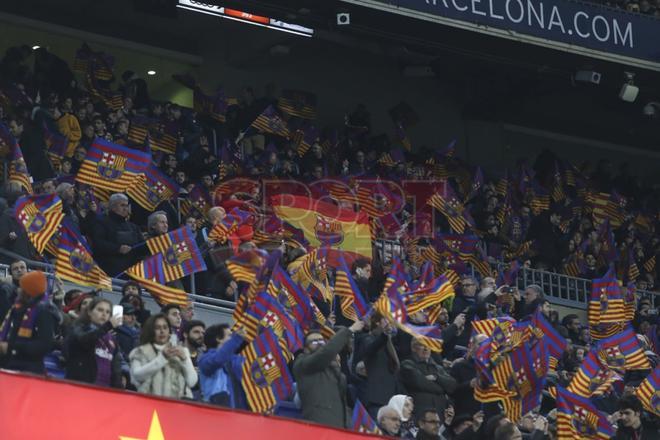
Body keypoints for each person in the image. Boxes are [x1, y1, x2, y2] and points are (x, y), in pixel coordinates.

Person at [293, 320, 365, 428]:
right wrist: (349, 330)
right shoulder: (301, 363)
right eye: (314, 342)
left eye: (322, 341)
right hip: (319, 424)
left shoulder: (330, 367)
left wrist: (335, 366)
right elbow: (325, 353)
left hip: (340, 425)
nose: (319, 344)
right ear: (305, 349)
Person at [129, 313, 197, 399]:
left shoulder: (182, 351)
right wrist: (162, 358)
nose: (162, 331)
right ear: (150, 330)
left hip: (176, 406)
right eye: (157, 328)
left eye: (165, 327)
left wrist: (185, 360)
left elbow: (192, 382)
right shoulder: (140, 351)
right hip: (149, 405)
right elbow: (137, 376)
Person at [0, 271, 56, 374]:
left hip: (29, 370)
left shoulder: (43, 311)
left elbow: (44, 345)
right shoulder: (16, 308)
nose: (18, 290)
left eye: (22, 288)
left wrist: (11, 347)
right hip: (8, 364)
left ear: (28, 291)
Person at [64, 297, 122, 388]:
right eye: (100, 310)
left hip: (105, 389)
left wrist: (118, 387)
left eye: (108, 312)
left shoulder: (112, 338)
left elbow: (116, 366)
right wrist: (108, 326)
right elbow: (85, 341)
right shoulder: (78, 328)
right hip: (81, 386)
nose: (104, 314)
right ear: (89, 312)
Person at [357, 312, 402, 417]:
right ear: (377, 323)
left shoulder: (389, 342)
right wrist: (384, 335)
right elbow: (371, 348)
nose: (390, 323)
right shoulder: (367, 339)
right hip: (377, 400)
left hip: (391, 400)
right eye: (386, 320)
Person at [399, 338, 457, 416]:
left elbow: (452, 386)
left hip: (440, 414)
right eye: (422, 345)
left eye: (428, 345)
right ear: (413, 348)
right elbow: (420, 383)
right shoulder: (407, 364)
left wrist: (436, 378)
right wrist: (443, 389)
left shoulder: (438, 368)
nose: (426, 348)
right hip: (419, 414)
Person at [91, 193, 145, 276]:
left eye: (127, 206)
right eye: (122, 205)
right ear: (112, 207)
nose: (125, 208)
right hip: (110, 268)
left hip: (133, 270)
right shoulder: (101, 222)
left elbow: (141, 246)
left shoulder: (134, 227)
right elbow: (98, 243)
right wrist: (118, 249)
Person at [198, 324, 247, 408]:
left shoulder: (236, 359)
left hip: (237, 412)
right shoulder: (204, 359)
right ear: (218, 339)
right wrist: (236, 339)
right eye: (230, 335)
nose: (233, 338)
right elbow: (218, 359)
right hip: (212, 411)